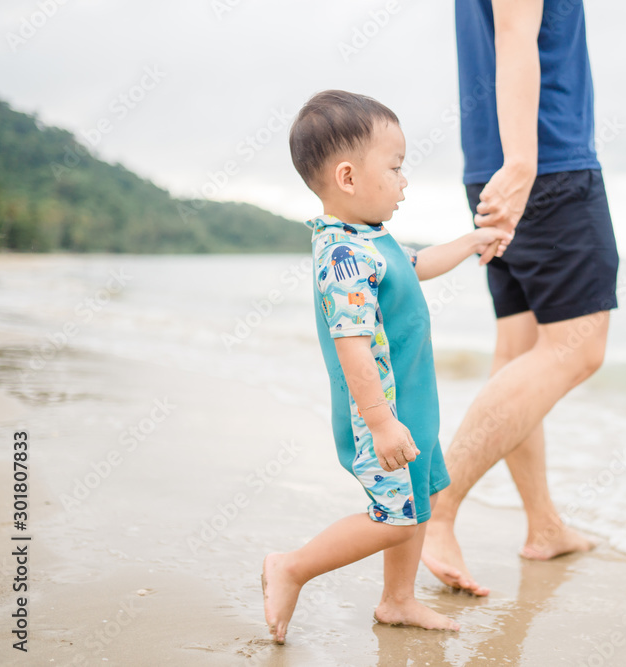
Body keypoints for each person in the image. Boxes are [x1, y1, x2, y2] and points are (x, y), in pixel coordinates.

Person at [261, 90, 511, 642]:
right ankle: (292, 567)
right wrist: (379, 421)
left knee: (418, 503)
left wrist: (472, 241)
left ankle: (397, 601)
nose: (405, 182)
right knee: (391, 517)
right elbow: (351, 345)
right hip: (383, 413)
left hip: (412, 407)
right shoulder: (341, 255)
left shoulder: (371, 237)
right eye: (395, 168)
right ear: (348, 177)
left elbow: (415, 265)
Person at [421, 0, 619, 596]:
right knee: (577, 350)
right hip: (543, 164)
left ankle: (544, 526)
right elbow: (514, 34)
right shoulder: (533, 164)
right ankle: (437, 510)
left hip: (496, 166)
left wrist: (511, 166)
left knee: (519, 351)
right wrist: (525, 163)